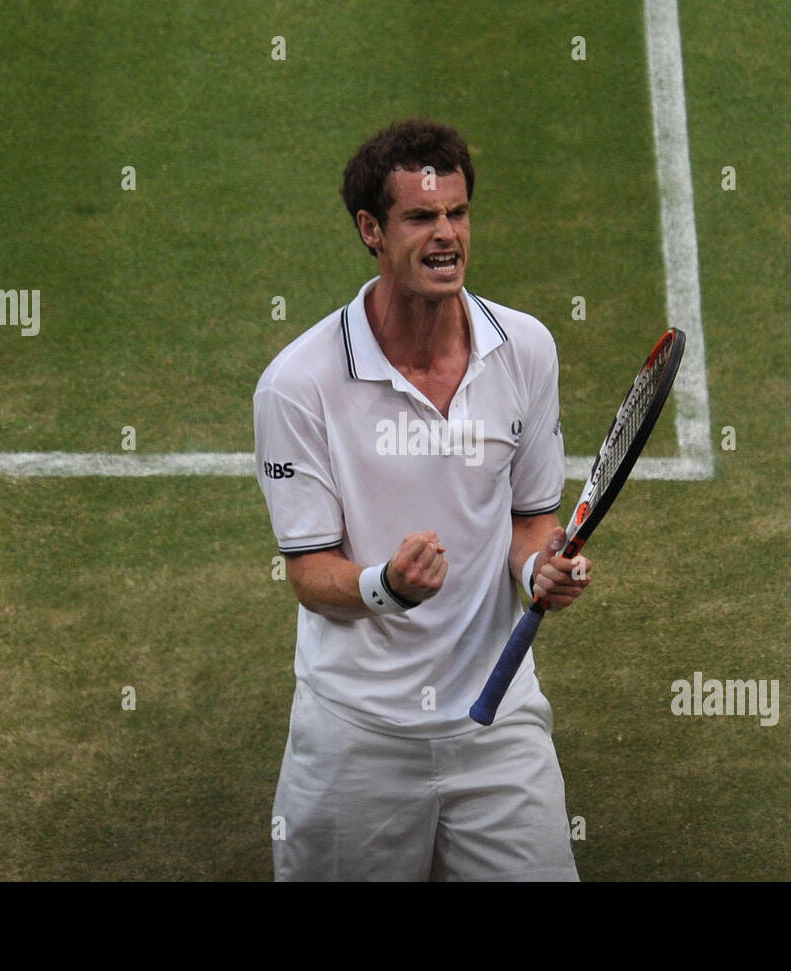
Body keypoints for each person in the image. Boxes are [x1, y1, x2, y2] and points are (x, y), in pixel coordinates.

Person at [253, 118, 591, 881]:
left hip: (496, 721)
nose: (446, 236)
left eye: (457, 214)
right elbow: (310, 572)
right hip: (358, 735)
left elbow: (530, 520)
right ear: (371, 229)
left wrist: (542, 566)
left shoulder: (527, 348)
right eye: (420, 217)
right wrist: (387, 586)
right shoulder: (298, 385)